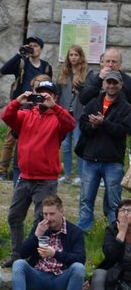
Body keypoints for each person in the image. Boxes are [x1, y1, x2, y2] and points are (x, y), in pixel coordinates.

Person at [1, 80, 75, 265]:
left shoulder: (58, 119)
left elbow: (71, 124)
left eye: (47, 93)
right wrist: (18, 101)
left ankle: (35, 255)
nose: (43, 96)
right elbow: (6, 116)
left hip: (46, 180)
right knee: (14, 216)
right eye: (39, 93)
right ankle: (17, 254)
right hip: (25, 177)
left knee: (42, 220)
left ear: (55, 97)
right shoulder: (26, 115)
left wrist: (55, 107)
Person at [11, 195, 86, 290]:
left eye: (52, 214)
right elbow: (22, 253)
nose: (48, 218)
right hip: (38, 277)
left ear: (62, 212)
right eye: (45, 214)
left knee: (79, 268)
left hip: (60, 278)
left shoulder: (74, 231)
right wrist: (36, 236)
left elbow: (80, 258)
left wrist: (55, 254)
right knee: (18, 264)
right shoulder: (40, 227)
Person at [75, 71, 131, 233]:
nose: (111, 86)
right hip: (90, 158)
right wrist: (92, 126)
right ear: (104, 84)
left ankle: (116, 228)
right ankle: (84, 228)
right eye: (109, 82)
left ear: (121, 85)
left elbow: (124, 130)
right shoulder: (93, 102)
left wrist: (103, 123)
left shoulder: (126, 108)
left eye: (115, 83)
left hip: (113, 161)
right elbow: (83, 126)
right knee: (86, 198)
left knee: (114, 201)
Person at [0, 36, 52, 180]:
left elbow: (49, 87)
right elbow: (3, 70)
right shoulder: (22, 62)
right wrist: (19, 53)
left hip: (37, 107)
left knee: (33, 139)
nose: (32, 48)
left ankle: (26, 167)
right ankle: (2, 170)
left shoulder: (46, 67)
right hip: (20, 105)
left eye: (35, 46)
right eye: (30, 45)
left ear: (41, 49)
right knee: (10, 139)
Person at [89, 200, 131, 290]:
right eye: (123, 210)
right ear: (117, 215)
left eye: (130, 210)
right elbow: (111, 255)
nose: (126, 214)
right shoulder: (111, 230)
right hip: (116, 275)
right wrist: (121, 233)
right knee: (99, 273)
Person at [57, 44, 88, 185]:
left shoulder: (86, 74)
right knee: (65, 145)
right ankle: (68, 174)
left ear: (80, 57)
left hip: (78, 115)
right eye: (71, 55)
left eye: (76, 55)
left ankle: (81, 176)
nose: (73, 57)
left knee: (78, 145)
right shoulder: (64, 74)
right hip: (65, 115)